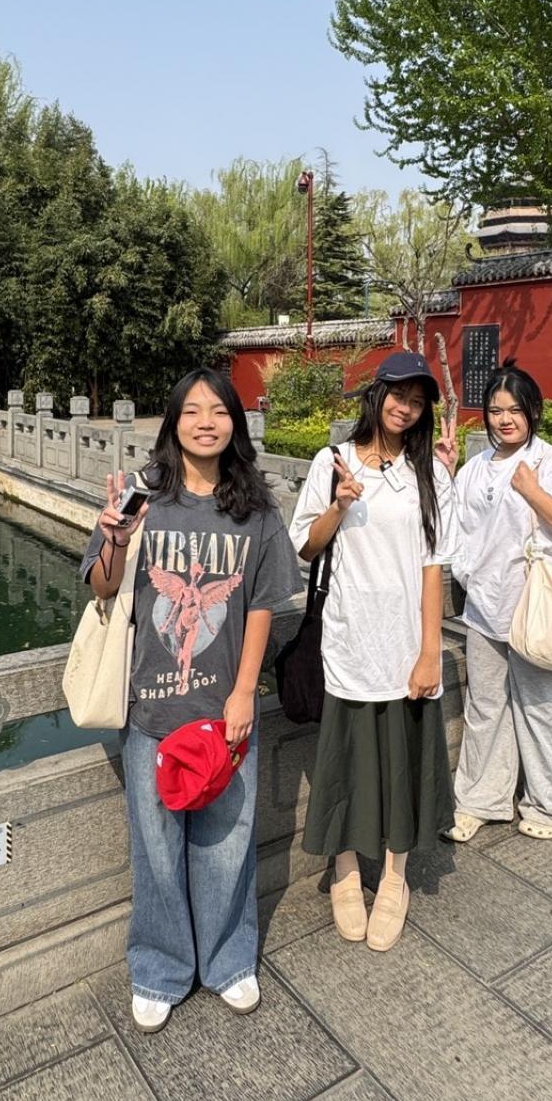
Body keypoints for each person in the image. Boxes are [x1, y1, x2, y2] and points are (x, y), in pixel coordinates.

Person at [80, 368, 299, 1032]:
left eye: (219, 411)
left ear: (236, 422)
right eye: (192, 411)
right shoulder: (144, 495)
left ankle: (229, 960)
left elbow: (260, 604)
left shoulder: (256, 511)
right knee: (155, 852)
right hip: (151, 710)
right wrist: (115, 539)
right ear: (173, 422)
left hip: (225, 713)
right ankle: (160, 966)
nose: (206, 422)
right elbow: (102, 587)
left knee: (227, 847)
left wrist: (244, 692)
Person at [288, 352, 458, 950]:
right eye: (397, 394)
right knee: (344, 762)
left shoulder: (430, 475)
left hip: (404, 644)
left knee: (402, 761)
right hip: (348, 639)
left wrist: (430, 652)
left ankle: (393, 875)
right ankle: (343, 870)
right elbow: (305, 548)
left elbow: (434, 567)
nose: (405, 408)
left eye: (416, 400)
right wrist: (339, 504)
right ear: (376, 393)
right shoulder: (331, 461)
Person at [439, 361, 552, 844]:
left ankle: (549, 804)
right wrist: (444, 474)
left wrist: (533, 493)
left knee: (544, 707)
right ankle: (480, 801)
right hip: (485, 608)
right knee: (485, 707)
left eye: (515, 409)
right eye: (495, 410)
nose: (504, 419)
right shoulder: (474, 468)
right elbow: (456, 530)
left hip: (538, 607)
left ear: (534, 411)